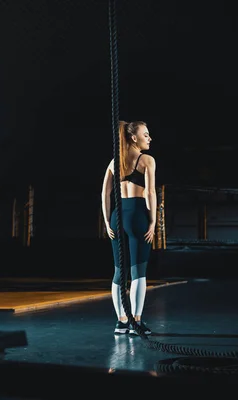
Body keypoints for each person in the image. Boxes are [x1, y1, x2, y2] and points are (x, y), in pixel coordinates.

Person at [101, 120, 156, 335]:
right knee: (138, 271)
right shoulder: (147, 160)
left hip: (117, 215)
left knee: (118, 271)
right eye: (146, 134)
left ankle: (121, 322)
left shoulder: (114, 162)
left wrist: (107, 221)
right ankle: (136, 322)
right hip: (137, 215)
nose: (149, 138)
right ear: (134, 138)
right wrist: (152, 221)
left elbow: (105, 193)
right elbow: (150, 193)